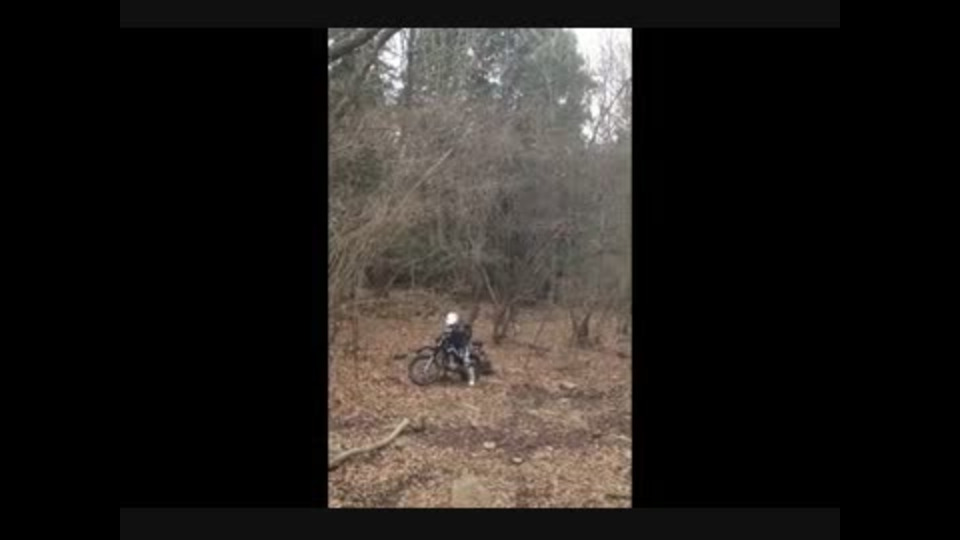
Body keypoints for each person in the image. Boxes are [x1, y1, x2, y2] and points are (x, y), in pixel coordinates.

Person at [441, 311, 475, 386]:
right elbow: (445, 334)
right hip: (453, 345)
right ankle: (446, 372)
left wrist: (451, 335)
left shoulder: (460, 328)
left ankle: (472, 378)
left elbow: (459, 337)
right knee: (446, 353)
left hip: (462, 346)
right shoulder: (449, 327)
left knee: (466, 361)